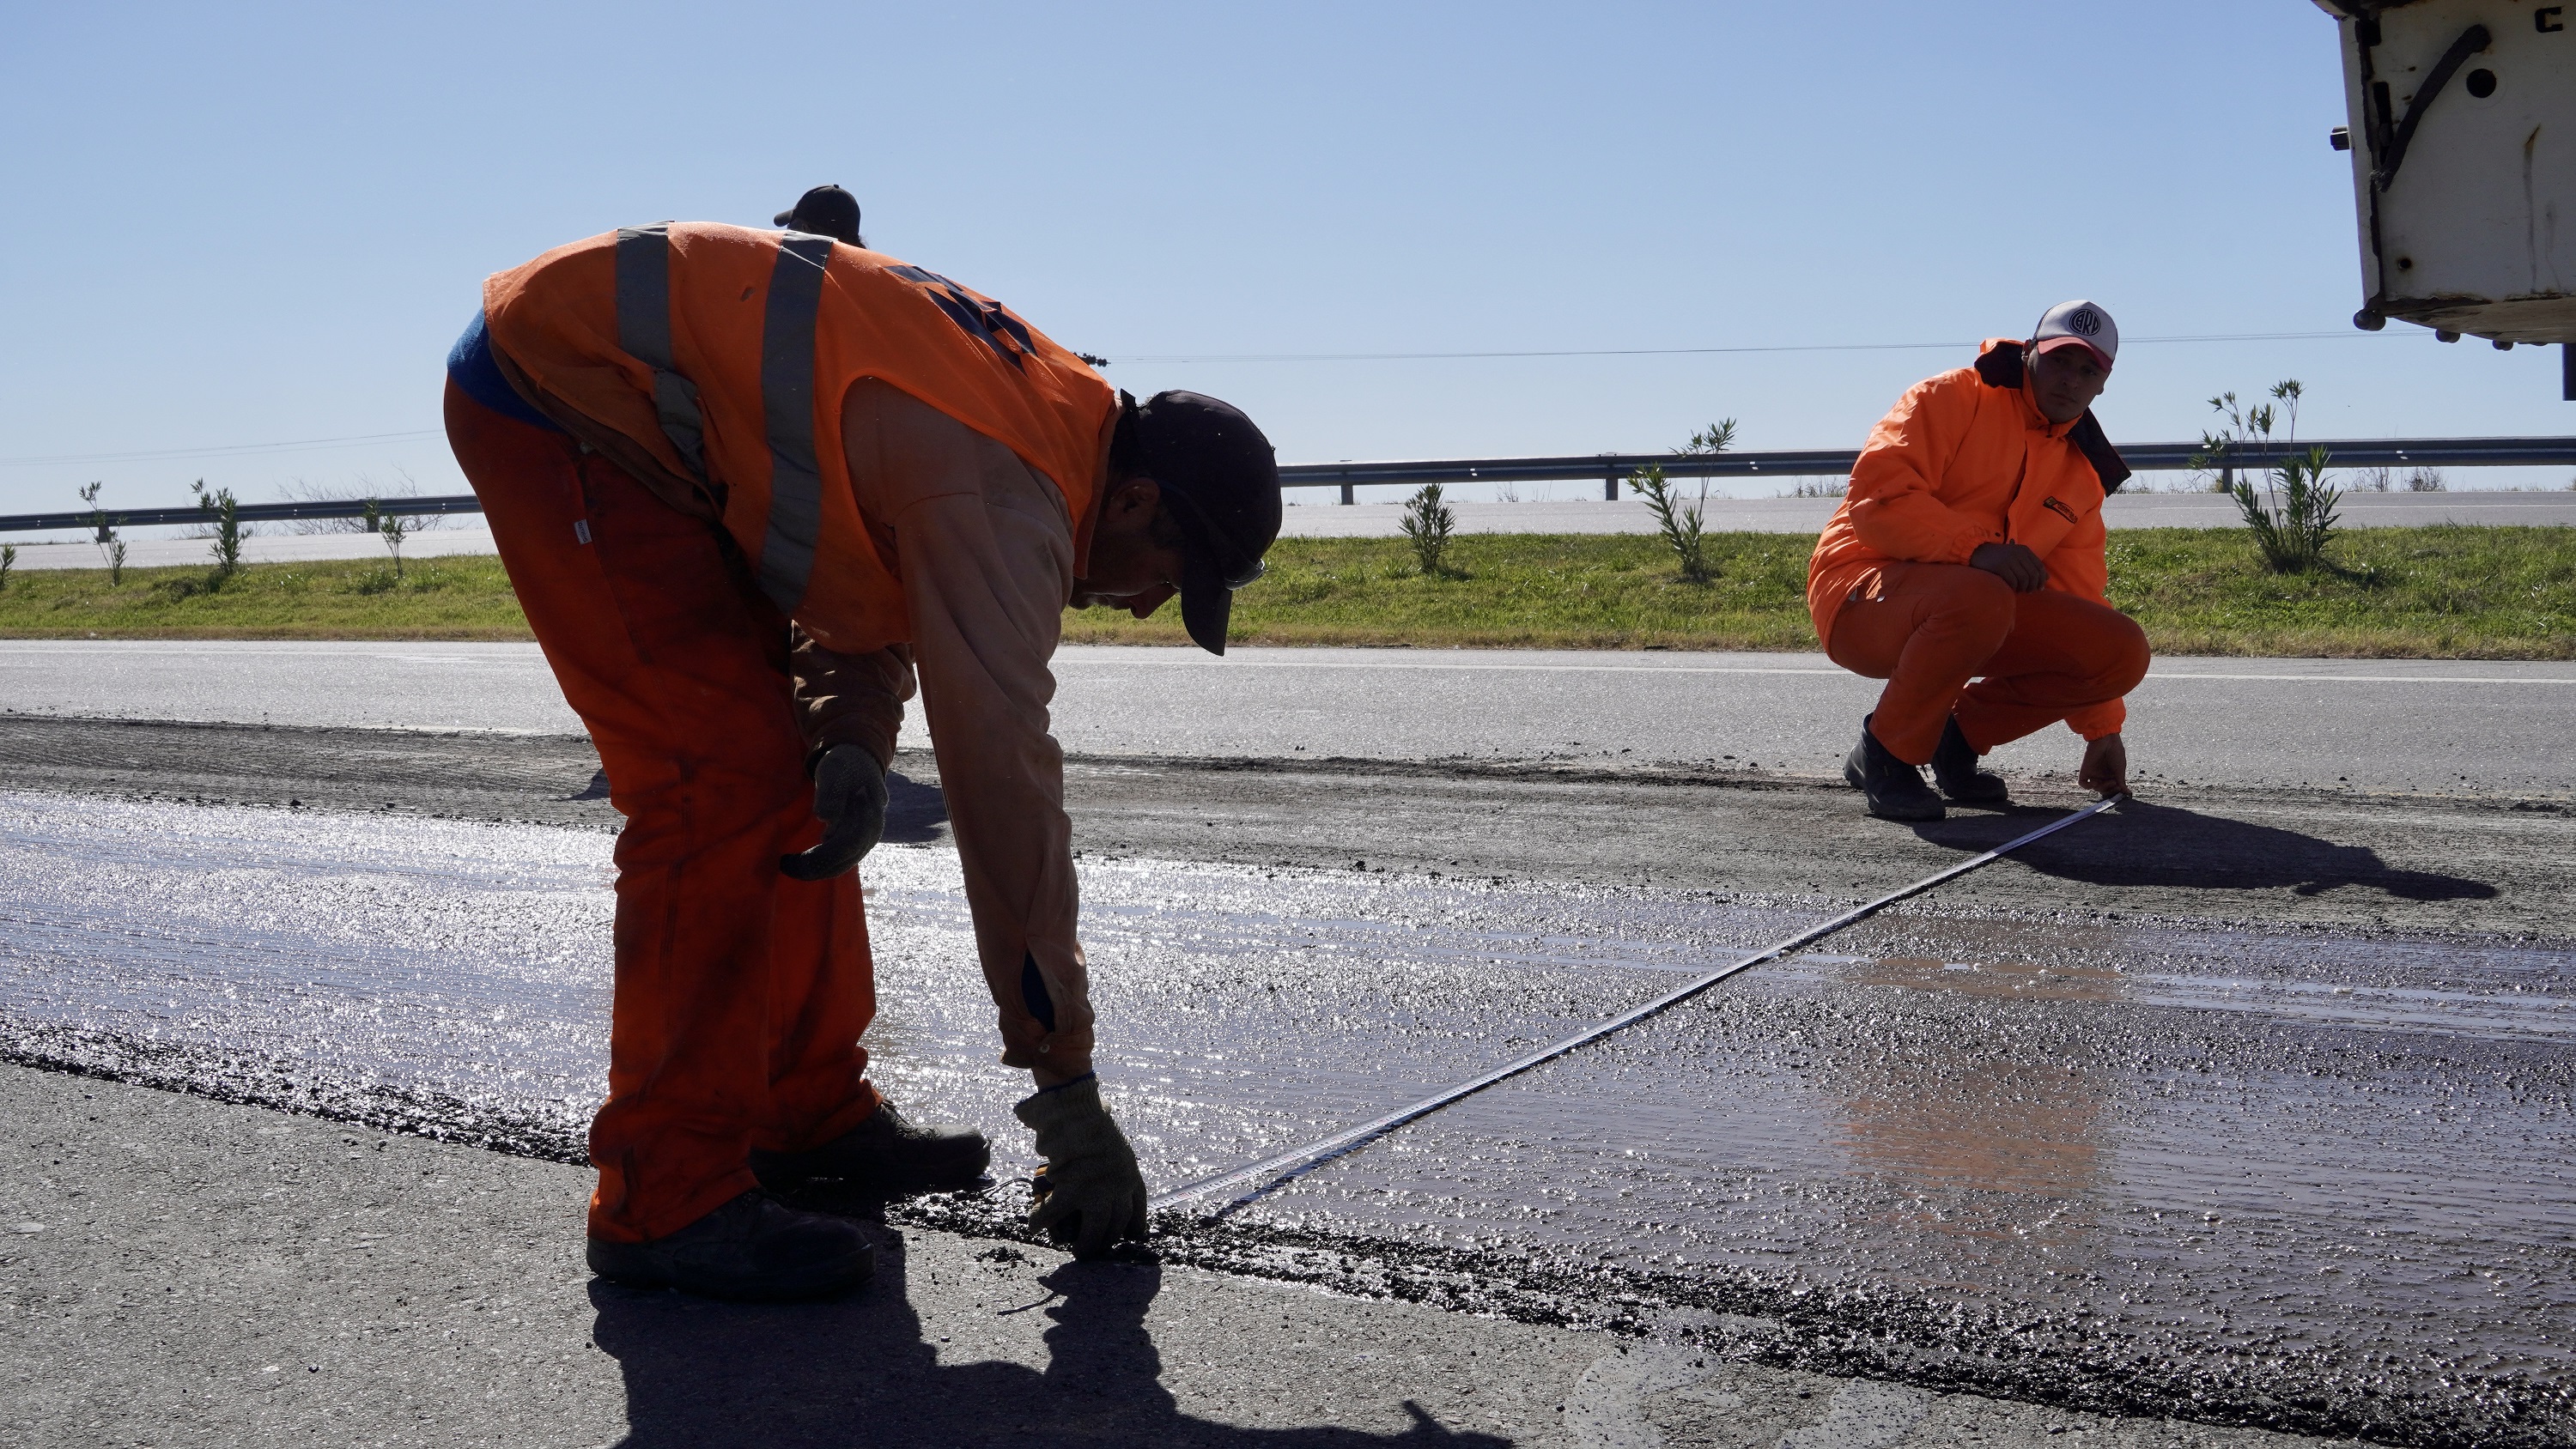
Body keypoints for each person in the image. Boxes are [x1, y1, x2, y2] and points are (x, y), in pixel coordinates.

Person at [441, 218, 1281, 1300]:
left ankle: (808, 1113)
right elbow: (1003, 793)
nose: (1155, 600)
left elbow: (863, 540)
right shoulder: (1008, 485)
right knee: (718, 784)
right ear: (1137, 500)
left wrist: (848, 733)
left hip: (652, 411)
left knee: (785, 775)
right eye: (1174, 570)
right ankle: (663, 1190)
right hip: (561, 388)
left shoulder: (1053, 417)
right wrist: (1065, 1083)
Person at [1807, 300, 2148, 822]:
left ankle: (1954, 739)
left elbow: (2078, 595)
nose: (2070, 381)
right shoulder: (1950, 397)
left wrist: (2102, 730)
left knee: (2118, 649)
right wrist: (1976, 549)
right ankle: (1888, 752)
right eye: (2059, 360)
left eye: (2088, 370)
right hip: (1861, 591)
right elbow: (1878, 501)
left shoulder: (2081, 475)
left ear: (2103, 384)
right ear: (2029, 353)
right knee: (1981, 594)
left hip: (1976, 611)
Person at [775, 184, 863, 247]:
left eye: (791, 227)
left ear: (804, 230)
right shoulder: (869, 270)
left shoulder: (793, 269)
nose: (786, 233)